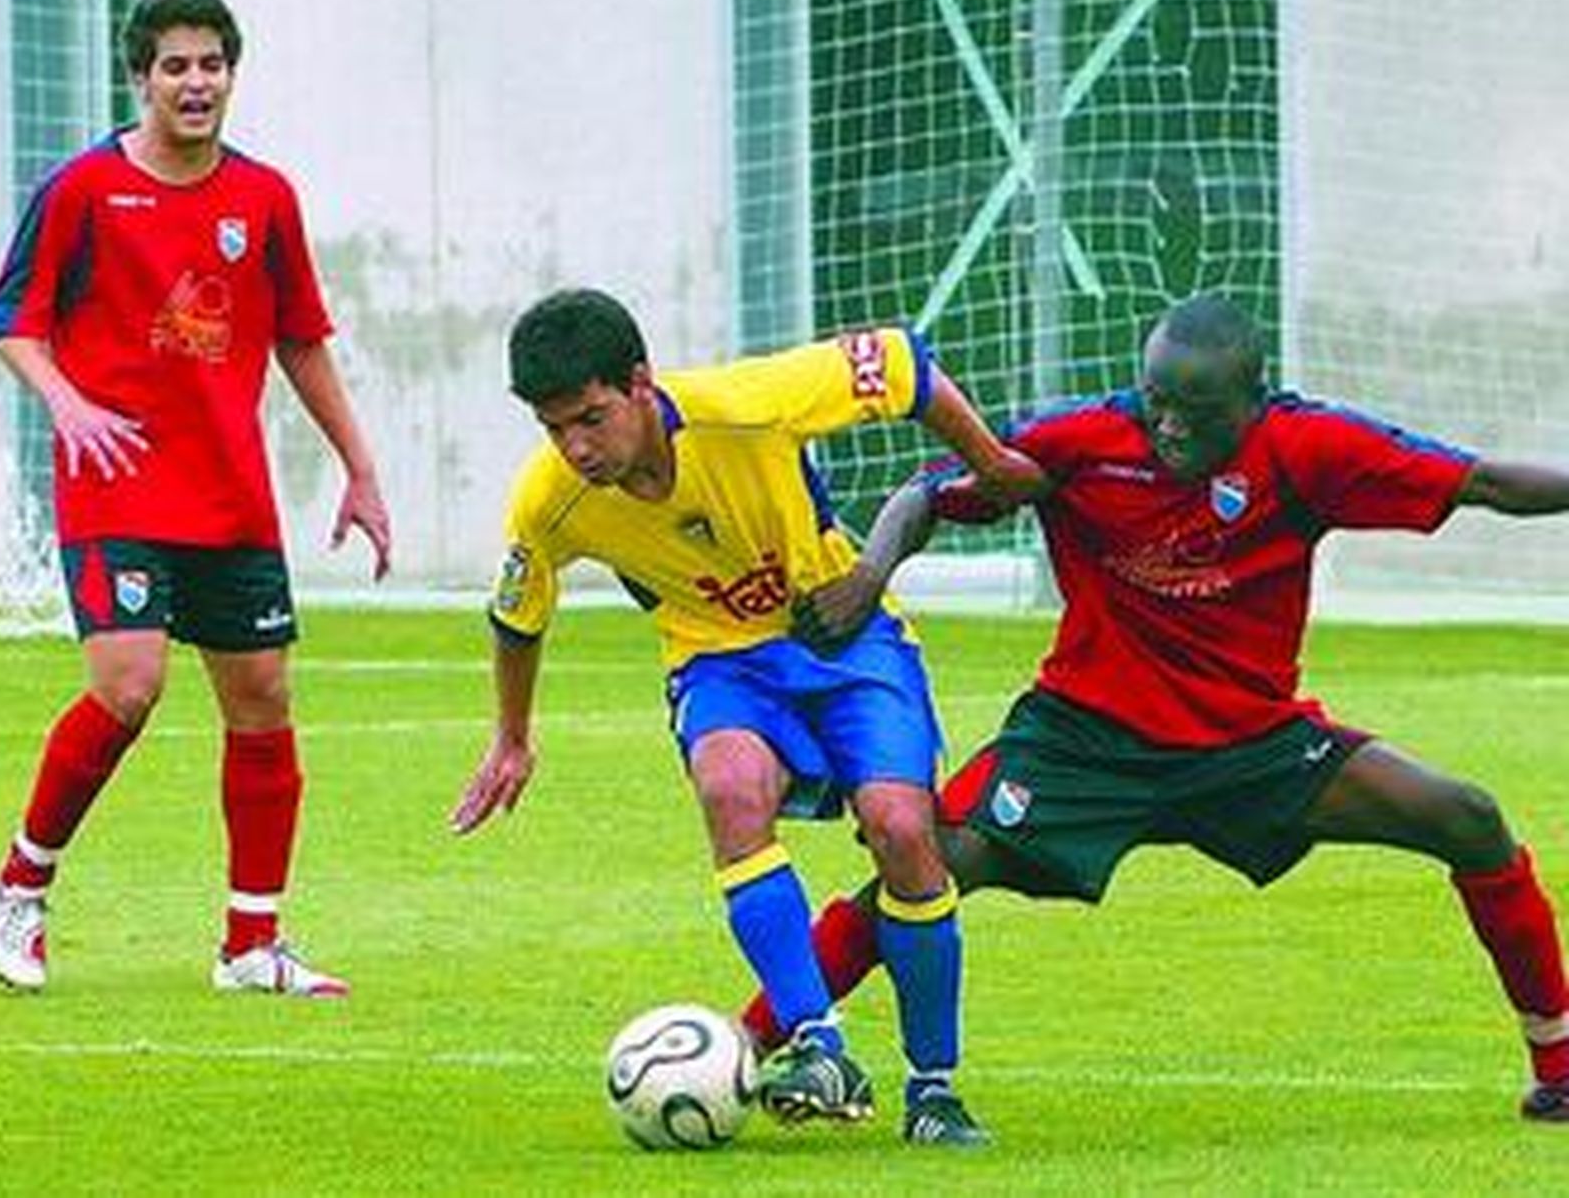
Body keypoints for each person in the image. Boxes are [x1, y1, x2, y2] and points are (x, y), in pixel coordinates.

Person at [738, 291, 1569, 1125]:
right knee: (927, 862)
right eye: (1156, 400)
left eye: (1195, 411)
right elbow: (930, 493)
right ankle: (740, 1047)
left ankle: (1559, 1068)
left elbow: (1487, 482)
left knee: (1466, 817)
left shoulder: (1309, 447)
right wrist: (867, 577)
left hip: (1250, 745)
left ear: (1253, 399)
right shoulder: (1087, 440)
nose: (1168, 426)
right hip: (1085, 740)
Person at [450, 287, 1045, 1145]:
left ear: (641, 383)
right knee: (729, 788)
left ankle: (934, 1090)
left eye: (590, 417)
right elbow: (517, 613)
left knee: (904, 830)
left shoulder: (749, 404)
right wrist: (512, 737)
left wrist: (989, 462)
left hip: (845, 638)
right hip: (718, 661)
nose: (576, 447)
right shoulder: (549, 499)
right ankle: (819, 1043)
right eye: (555, 429)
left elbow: (904, 360)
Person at [0, 0, 391, 998]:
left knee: (262, 700)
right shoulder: (83, 191)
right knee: (129, 685)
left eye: (211, 64)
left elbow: (303, 340)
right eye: (176, 65)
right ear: (143, 77)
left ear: (230, 74)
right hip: (115, 486)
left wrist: (362, 468)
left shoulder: (265, 199)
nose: (195, 82)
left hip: (228, 494)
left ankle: (252, 944)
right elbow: (10, 320)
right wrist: (66, 404)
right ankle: (23, 885)